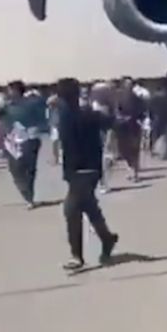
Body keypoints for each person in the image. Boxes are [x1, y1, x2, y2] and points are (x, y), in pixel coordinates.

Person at [55, 78, 119, 270]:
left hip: (87, 169)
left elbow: (112, 123)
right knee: (89, 207)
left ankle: (77, 256)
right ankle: (107, 238)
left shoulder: (86, 114)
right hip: (74, 170)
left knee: (71, 209)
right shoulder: (67, 114)